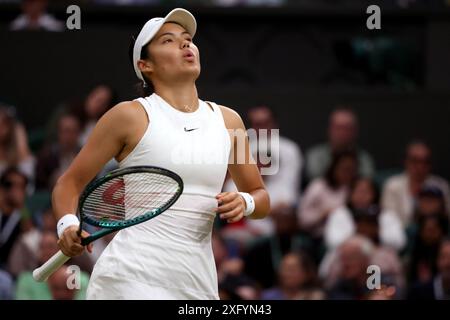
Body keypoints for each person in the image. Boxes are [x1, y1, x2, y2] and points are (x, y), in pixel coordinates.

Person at [53, 8, 270, 300]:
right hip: (130, 276)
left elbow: (260, 196)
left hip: (197, 282)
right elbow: (70, 182)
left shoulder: (229, 120)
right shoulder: (129, 116)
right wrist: (67, 224)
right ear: (145, 65)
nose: (185, 44)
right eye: (168, 40)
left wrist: (244, 202)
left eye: (188, 38)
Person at [381, 141, 450, 227]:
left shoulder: (441, 186)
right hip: (400, 234)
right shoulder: (392, 186)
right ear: (406, 162)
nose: (420, 166)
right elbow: (389, 219)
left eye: (425, 162)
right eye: (415, 161)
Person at [298, 150, 358, 239]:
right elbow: (302, 219)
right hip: (318, 237)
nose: (348, 174)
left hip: (350, 237)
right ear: (334, 168)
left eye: (351, 170)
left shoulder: (356, 189)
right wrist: (323, 215)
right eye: (344, 169)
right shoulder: (318, 187)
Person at [305, 107, 375, 181]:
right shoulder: (315, 155)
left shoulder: (364, 159)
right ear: (330, 129)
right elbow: (315, 181)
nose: (342, 133)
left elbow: (366, 184)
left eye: (347, 128)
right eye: (338, 128)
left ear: (355, 131)